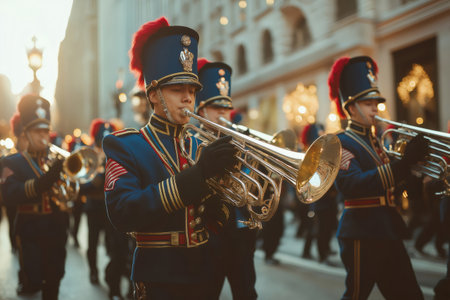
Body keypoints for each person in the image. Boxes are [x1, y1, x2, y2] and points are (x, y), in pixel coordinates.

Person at [103, 17, 237, 299]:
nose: (188, 98)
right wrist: (198, 177)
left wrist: (221, 205)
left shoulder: (198, 144)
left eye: (192, 90)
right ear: (153, 94)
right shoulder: (126, 146)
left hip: (204, 273)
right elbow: (123, 213)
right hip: (159, 278)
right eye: (177, 90)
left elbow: (210, 215)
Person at [328, 56, 428, 300]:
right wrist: (403, 165)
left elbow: (391, 186)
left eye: (376, 103)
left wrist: (410, 185)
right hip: (362, 233)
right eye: (368, 103)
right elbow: (354, 185)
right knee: (356, 296)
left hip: (388, 230)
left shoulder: (377, 142)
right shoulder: (341, 142)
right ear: (351, 107)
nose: (376, 108)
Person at [195, 58, 258, 300]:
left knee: (247, 294)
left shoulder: (241, 141)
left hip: (242, 234)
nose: (224, 114)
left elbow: (253, 186)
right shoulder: (192, 140)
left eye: (226, 109)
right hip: (210, 237)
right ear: (201, 110)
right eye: (216, 109)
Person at [1, 94, 69, 299]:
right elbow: (10, 194)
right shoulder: (12, 162)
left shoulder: (57, 160)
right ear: (26, 133)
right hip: (31, 228)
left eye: (45, 131)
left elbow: (71, 191)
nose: (42, 136)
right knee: (34, 279)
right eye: (37, 131)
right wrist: (44, 182)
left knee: (54, 278)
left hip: (56, 226)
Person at [300, 123, 339, 264]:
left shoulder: (323, 152)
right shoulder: (310, 154)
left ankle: (322, 251)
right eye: (319, 132)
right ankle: (321, 255)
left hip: (329, 197)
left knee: (326, 226)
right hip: (317, 198)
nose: (322, 133)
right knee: (318, 228)